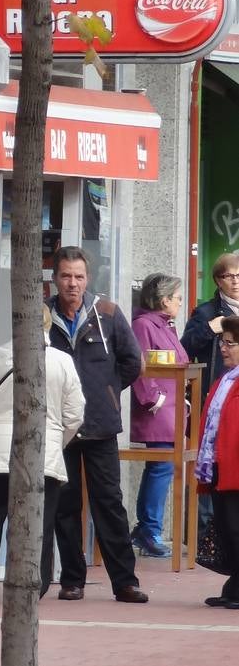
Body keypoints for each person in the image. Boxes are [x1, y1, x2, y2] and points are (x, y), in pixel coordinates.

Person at [0, 305, 85, 604]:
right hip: (45, 455)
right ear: (47, 326)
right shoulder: (63, 361)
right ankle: (35, 587)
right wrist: (55, 440)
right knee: (38, 524)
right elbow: (75, 414)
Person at [47, 246, 148, 603]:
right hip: (60, 428)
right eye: (65, 276)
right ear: (54, 278)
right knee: (65, 504)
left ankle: (125, 581)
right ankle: (72, 579)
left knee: (109, 502)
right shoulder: (43, 315)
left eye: (78, 276)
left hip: (100, 424)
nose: (72, 283)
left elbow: (132, 361)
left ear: (87, 279)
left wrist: (107, 391)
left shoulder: (106, 312)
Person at [129, 274, 189, 559]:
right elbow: (138, 363)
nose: (180, 302)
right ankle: (148, 529)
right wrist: (155, 400)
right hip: (159, 411)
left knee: (162, 468)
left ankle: (147, 528)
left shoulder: (166, 326)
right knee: (161, 467)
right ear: (164, 300)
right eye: (178, 298)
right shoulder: (144, 325)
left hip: (173, 410)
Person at [195, 314, 239, 609]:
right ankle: (234, 585)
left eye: (231, 344)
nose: (224, 348)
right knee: (225, 526)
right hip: (220, 465)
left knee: (236, 527)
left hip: (235, 465)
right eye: (223, 342)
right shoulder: (225, 378)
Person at [182, 252, 239, 396]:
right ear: (218, 281)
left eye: (238, 276)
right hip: (220, 391)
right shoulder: (206, 312)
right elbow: (184, 349)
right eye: (228, 276)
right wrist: (209, 329)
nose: (235, 281)